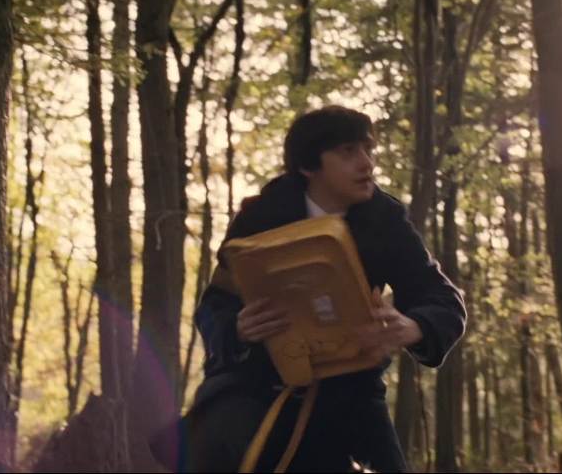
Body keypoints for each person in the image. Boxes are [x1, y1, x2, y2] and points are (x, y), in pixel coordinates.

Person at [184, 105, 466, 472]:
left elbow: (442, 298)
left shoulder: (385, 220)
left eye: (368, 149)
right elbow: (214, 305)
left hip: (352, 390)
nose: (367, 163)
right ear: (308, 165)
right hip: (258, 388)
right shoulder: (261, 216)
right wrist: (237, 329)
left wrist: (415, 326)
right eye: (348, 152)